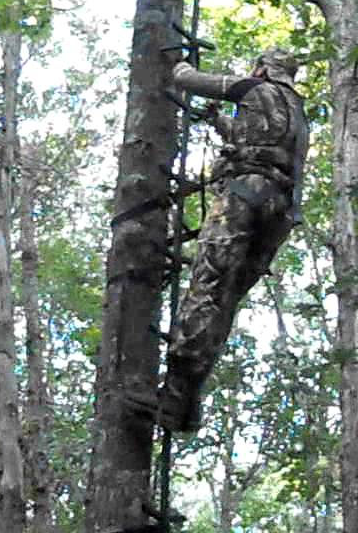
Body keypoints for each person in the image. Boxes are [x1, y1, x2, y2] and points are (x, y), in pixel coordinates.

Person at [129, 47, 309, 433]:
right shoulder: (298, 112)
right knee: (224, 301)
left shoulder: (254, 89)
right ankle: (186, 404)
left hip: (246, 197)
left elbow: (186, 79)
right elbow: (263, 144)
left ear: (262, 68)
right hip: (279, 211)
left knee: (207, 290)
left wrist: (178, 61)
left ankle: (174, 401)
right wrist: (220, 123)